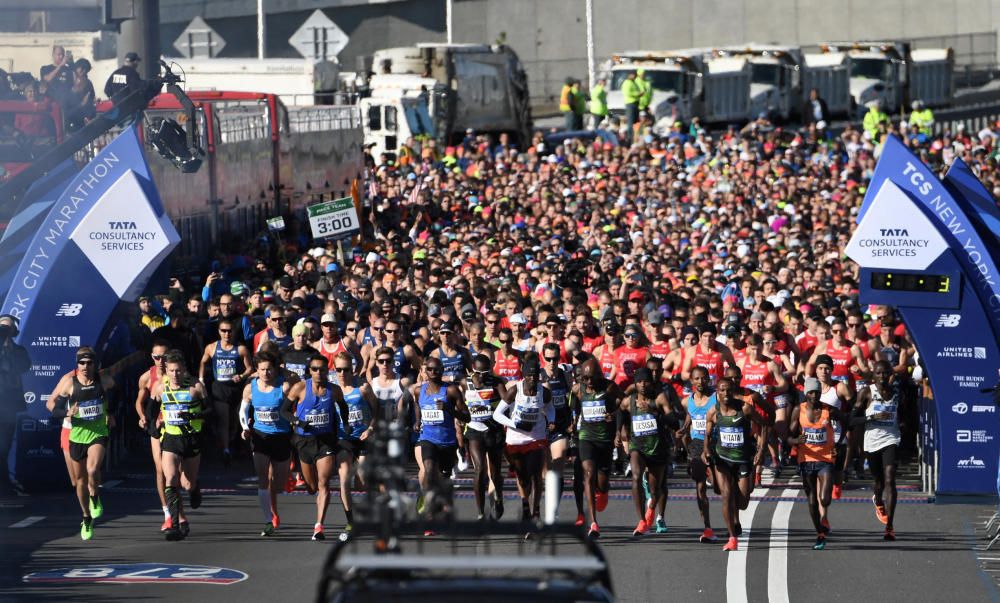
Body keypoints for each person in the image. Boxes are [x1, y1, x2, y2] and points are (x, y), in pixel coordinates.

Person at [46, 347, 117, 541]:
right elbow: (52, 405)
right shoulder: (68, 381)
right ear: (77, 364)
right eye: (82, 363)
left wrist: (110, 412)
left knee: (92, 469)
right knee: (77, 481)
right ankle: (86, 516)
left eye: (89, 363)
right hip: (73, 432)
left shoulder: (103, 379)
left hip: (96, 432)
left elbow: (114, 392)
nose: (85, 366)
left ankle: (95, 496)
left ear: (95, 364)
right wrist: (67, 413)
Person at [282, 355, 350, 540]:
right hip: (304, 442)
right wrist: (297, 421)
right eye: (314, 369)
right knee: (312, 487)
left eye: (322, 369)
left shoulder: (334, 390)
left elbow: (343, 407)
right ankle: (307, 484)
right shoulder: (300, 388)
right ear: (309, 370)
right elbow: (284, 411)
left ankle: (319, 526)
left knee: (324, 483)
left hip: (326, 442)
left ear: (327, 370)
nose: (318, 373)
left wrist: (346, 424)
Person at [702, 376, 769, 552]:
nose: (725, 394)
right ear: (717, 392)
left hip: (743, 459)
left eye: (729, 390)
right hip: (722, 458)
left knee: (742, 502)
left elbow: (763, 425)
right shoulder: (713, 412)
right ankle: (732, 537)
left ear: (734, 391)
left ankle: (736, 517)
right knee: (726, 494)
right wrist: (706, 450)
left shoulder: (745, 408)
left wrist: (761, 451)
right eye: (722, 390)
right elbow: (707, 435)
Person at [150, 350, 212, 541]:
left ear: (184, 369)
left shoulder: (195, 387)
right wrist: (154, 425)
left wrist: (193, 416)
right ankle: (174, 525)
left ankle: (194, 489)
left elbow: (210, 411)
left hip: (192, 438)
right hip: (171, 438)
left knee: (187, 483)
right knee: (171, 478)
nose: (175, 375)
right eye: (171, 371)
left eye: (178, 371)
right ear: (166, 371)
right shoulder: (160, 388)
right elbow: (151, 410)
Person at [493, 353, 553, 537]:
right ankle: (525, 504)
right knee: (523, 478)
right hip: (515, 440)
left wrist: (551, 420)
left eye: (535, 376)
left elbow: (549, 408)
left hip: (537, 437)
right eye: (528, 376)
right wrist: (515, 424)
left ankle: (534, 514)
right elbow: (498, 415)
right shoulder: (514, 390)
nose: (532, 379)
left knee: (536, 474)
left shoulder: (544, 391)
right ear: (523, 375)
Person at [411, 356, 470, 535]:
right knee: (428, 469)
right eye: (430, 369)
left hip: (448, 442)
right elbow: (417, 406)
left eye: (437, 370)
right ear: (425, 371)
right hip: (427, 439)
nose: (434, 373)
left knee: (444, 478)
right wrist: (417, 421)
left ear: (443, 371)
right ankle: (429, 515)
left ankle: (446, 508)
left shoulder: (451, 391)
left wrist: (448, 410)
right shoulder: (418, 390)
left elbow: (466, 417)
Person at [240, 350, 293, 536]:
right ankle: (268, 521)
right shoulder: (250, 388)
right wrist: (245, 428)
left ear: (275, 369)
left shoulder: (284, 387)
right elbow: (243, 411)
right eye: (262, 369)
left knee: (277, 485)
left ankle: (284, 479)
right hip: (260, 437)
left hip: (281, 436)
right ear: (257, 370)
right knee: (263, 480)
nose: (266, 373)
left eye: (269, 369)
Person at [788, 377, 845, 550]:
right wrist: (797, 439)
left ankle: (823, 518)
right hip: (806, 460)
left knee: (824, 498)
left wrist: (839, 442)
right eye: (811, 392)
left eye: (817, 392)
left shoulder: (830, 410)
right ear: (806, 393)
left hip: (825, 459)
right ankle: (819, 532)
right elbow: (788, 437)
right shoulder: (799, 410)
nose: (814, 395)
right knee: (812, 500)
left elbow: (846, 421)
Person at [619, 367, 677, 536]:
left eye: (646, 381)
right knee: (636, 476)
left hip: (658, 448)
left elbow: (673, 422)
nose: (642, 385)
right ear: (635, 384)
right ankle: (641, 521)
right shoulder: (629, 401)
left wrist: (653, 412)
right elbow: (620, 413)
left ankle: (651, 509)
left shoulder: (659, 399)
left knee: (655, 489)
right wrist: (620, 430)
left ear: (651, 383)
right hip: (638, 446)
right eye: (639, 382)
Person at [572, 358, 623, 538]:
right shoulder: (578, 389)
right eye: (585, 378)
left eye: (592, 378)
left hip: (605, 440)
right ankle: (593, 522)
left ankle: (603, 491)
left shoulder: (609, 387)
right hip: (586, 437)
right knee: (588, 473)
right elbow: (576, 409)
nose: (589, 382)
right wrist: (572, 427)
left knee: (601, 482)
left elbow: (624, 405)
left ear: (600, 376)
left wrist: (614, 417)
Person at [134, 340, 178, 532]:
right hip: (156, 426)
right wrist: (142, 417)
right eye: (156, 357)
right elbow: (139, 401)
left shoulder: (177, 374)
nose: (160, 361)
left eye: (163, 357)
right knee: (160, 470)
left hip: (176, 425)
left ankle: (183, 496)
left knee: (179, 473)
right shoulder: (146, 377)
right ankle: (167, 513)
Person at [857, 360, 902, 541]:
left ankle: (890, 526)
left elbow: (904, 414)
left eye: (885, 373)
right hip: (871, 442)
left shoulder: (896, 393)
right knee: (879, 481)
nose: (882, 377)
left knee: (890, 479)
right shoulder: (866, 392)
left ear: (890, 374)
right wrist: (873, 416)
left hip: (891, 439)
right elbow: (853, 419)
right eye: (878, 373)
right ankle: (877, 498)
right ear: (873, 375)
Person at [332, 352, 377, 534]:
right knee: (344, 478)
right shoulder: (332, 390)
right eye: (339, 370)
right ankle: (351, 520)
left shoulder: (363, 388)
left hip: (362, 438)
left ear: (352, 369)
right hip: (343, 439)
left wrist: (371, 429)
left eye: (346, 369)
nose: (342, 373)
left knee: (361, 482)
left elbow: (377, 410)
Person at [198, 318, 252, 465]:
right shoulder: (212, 348)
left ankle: (231, 443)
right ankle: (226, 450)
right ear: (219, 331)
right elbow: (203, 362)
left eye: (229, 330)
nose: (227, 334)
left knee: (235, 422)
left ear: (234, 331)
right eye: (224, 330)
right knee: (224, 420)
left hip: (236, 389)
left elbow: (250, 368)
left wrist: (241, 376)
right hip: (219, 388)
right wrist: (201, 380)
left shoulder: (241, 349)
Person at [463, 353, 507, 520]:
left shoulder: (495, 382)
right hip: (475, 430)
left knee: (495, 473)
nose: (482, 376)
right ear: (471, 370)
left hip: (493, 431)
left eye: (486, 372)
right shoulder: (464, 382)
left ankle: (498, 496)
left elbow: (506, 400)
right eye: (478, 372)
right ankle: (481, 513)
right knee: (480, 469)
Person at [680, 366, 717, 543]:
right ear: (691, 381)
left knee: (719, 488)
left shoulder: (716, 398)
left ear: (709, 379)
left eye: (703, 378)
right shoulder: (689, 400)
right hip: (696, 445)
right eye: (696, 379)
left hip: (716, 443)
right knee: (700, 487)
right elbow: (690, 415)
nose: (700, 382)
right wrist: (684, 428)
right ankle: (707, 527)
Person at [814, 354, 853, 501]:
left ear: (832, 370)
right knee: (822, 472)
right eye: (821, 368)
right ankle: (821, 503)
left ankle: (837, 484)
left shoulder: (839, 387)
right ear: (816, 370)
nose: (824, 371)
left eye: (827, 369)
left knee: (837, 473)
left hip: (836, 437)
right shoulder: (811, 387)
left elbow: (853, 408)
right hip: (817, 438)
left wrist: (844, 419)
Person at [0, 314, 30, 495]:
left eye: (7, 328)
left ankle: (5, 484)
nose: (4, 331)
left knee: (4, 447)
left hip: (9, 407)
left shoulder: (18, 350)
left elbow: (25, 366)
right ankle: (5, 484)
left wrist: (9, 350)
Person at [620, 71, 641, 138]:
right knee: (630, 122)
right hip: (630, 104)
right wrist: (637, 94)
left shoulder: (633, 82)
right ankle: (630, 138)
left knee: (636, 122)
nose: (635, 77)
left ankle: (635, 136)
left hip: (635, 103)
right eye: (634, 75)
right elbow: (627, 93)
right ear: (630, 75)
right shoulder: (627, 82)